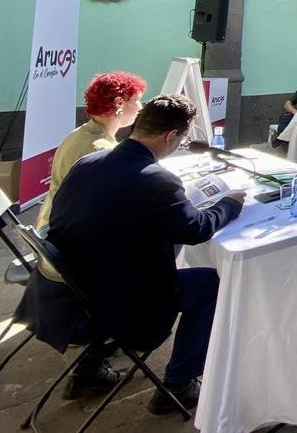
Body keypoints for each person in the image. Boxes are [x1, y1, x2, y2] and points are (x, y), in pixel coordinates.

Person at [48, 94, 244, 412]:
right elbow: (196, 230)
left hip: (71, 293)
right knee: (212, 283)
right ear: (170, 137)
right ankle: (179, 385)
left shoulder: (88, 163)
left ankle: (89, 369)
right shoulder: (156, 181)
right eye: (181, 140)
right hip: (125, 305)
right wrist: (230, 203)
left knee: (172, 245)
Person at [37, 71, 147, 228]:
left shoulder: (79, 134)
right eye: (137, 100)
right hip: (63, 232)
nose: (140, 107)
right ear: (119, 103)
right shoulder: (100, 148)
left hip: (51, 221)